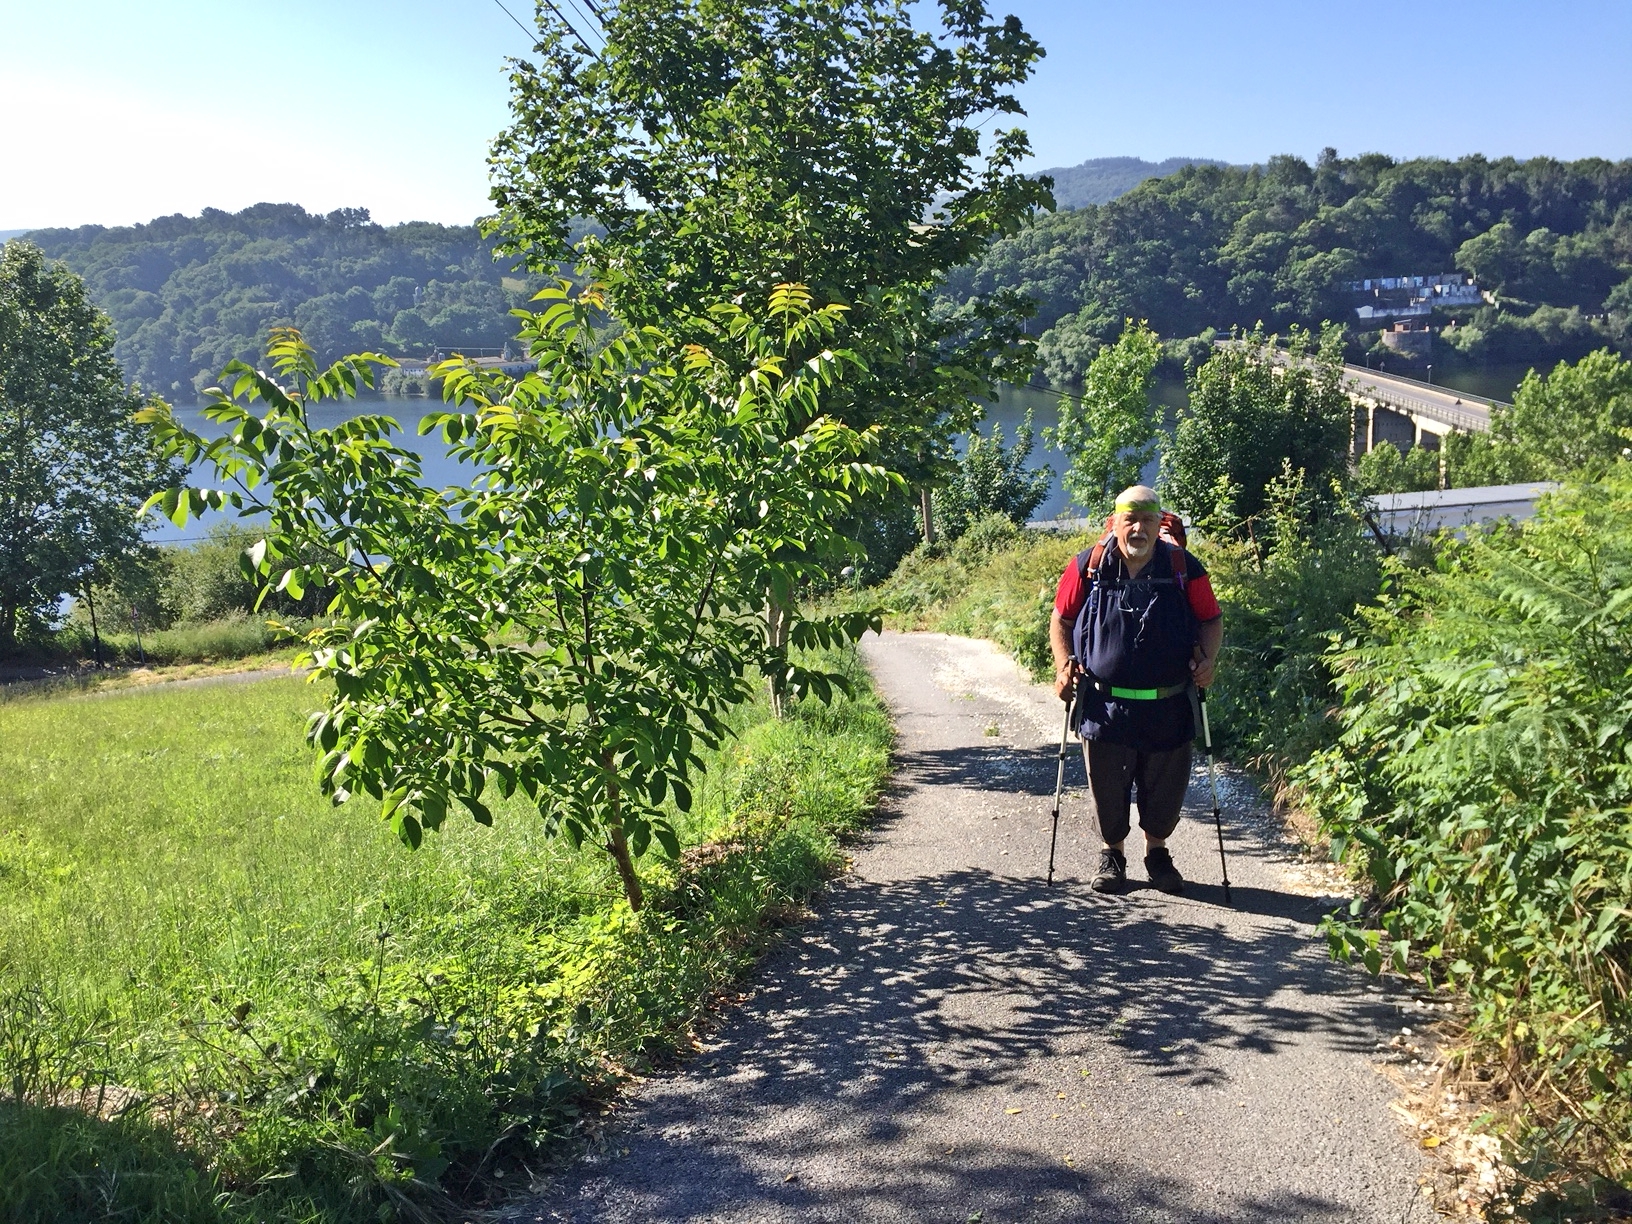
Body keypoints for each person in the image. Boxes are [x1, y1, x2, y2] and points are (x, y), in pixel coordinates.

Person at [1048, 486, 1223, 894]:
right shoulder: (1089, 565)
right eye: (1131, 519)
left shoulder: (1182, 565)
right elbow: (1061, 620)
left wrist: (1208, 660)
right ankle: (1113, 855)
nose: (1139, 528)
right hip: (1103, 703)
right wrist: (1062, 667)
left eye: (1147, 520)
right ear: (1117, 522)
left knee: (1165, 788)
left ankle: (1157, 853)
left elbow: (1211, 619)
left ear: (1158, 522)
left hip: (1169, 702)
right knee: (1107, 787)